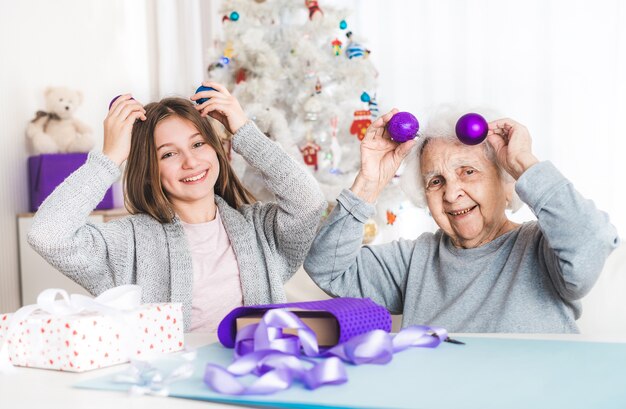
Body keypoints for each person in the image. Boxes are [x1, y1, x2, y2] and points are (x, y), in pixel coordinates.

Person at [28, 82, 326, 332]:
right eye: (169, 154)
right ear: (150, 170)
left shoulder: (260, 230)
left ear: (217, 148)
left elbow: (309, 202)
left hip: (257, 383)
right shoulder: (127, 244)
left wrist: (244, 131)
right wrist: (110, 157)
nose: (191, 162)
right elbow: (47, 235)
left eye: (198, 145)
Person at [303, 107, 619, 333]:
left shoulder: (542, 247)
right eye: (436, 181)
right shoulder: (415, 260)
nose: (452, 193)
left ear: (505, 181)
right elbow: (328, 269)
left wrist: (523, 162)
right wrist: (369, 182)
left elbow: (592, 240)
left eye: (468, 172)